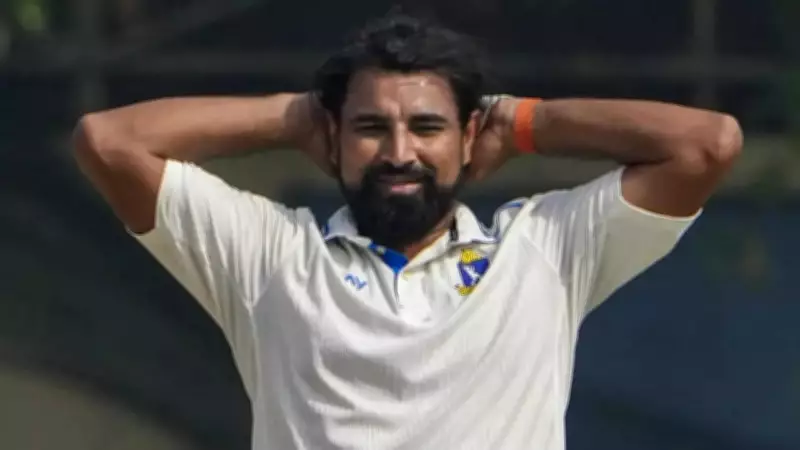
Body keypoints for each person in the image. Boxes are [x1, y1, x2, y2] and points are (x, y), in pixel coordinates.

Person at [72, 11, 742, 450]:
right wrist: (295, 116)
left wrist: (522, 122)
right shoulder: (269, 257)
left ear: (469, 136)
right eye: (370, 127)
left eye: (427, 127)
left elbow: (706, 145)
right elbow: (109, 142)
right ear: (333, 137)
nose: (399, 153)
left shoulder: (544, 250)